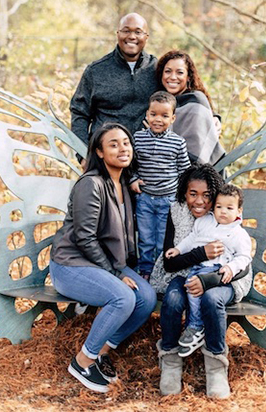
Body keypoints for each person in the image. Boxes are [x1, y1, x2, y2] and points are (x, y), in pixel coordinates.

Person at [49, 123, 157, 393]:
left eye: (126, 142)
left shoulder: (122, 184)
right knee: (123, 297)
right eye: (113, 144)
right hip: (71, 263)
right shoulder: (91, 184)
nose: (123, 148)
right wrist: (117, 274)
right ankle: (82, 361)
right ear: (99, 151)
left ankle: (101, 352)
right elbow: (85, 239)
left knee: (147, 298)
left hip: (105, 263)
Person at [150, 163, 252, 399]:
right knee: (174, 299)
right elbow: (170, 262)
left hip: (224, 278)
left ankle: (216, 366)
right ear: (184, 193)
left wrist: (209, 280)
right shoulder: (179, 212)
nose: (199, 201)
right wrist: (201, 254)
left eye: (207, 196)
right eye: (192, 194)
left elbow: (241, 263)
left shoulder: (224, 217)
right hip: (183, 272)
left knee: (211, 299)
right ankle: (171, 361)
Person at [165, 183, 252, 358]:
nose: (223, 211)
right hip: (198, 268)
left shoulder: (239, 233)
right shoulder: (204, 222)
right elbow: (191, 239)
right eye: (219, 207)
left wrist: (230, 267)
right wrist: (178, 250)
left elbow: (244, 257)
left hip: (217, 271)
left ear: (239, 211)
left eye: (229, 208)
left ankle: (197, 328)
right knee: (191, 289)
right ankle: (194, 328)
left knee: (207, 297)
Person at [71, 12, 158, 166]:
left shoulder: (157, 69)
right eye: (126, 30)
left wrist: (213, 116)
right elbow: (79, 113)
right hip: (104, 160)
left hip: (147, 162)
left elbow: (186, 90)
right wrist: (83, 155)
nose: (132, 36)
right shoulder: (96, 71)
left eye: (138, 32)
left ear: (146, 36)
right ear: (117, 34)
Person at [130, 91, 190, 279]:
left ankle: (159, 272)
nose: (158, 119)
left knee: (163, 239)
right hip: (145, 199)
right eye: (153, 114)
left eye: (164, 116)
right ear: (147, 115)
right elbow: (131, 164)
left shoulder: (177, 142)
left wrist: (182, 195)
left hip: (168, 200)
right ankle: (146, 271)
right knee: (145, 239)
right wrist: (133, 179)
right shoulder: (138, 138)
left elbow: (184, 171)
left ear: (172, 118)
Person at [156, 50, 225, 164]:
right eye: (168, 71)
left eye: (180, 72)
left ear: (188, 77)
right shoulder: (159, 102)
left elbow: (198, 150)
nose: (173, 77)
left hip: (198, 172)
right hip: (165, 170)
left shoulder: (196, 101)